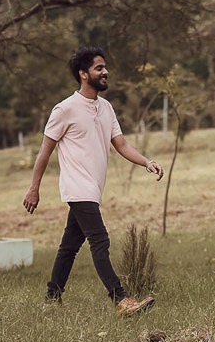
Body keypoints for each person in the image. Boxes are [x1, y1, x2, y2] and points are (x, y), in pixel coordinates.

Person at [23, 47, 164, 318]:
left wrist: (147, 162)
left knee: (69, 246)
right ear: (83, 74)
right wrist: (34, 188)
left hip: (93, 189)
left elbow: (121, 144)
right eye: (99, 68)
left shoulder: (106, 108)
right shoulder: (65, 109)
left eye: (105, 67)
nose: (105, 72)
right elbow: (45, 151)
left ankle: (52, 297)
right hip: (78, 188)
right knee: (100, 241)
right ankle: (121, 300)